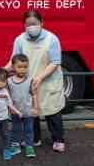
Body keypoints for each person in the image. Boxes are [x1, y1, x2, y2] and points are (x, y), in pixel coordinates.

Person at [5, 10, 66, 153]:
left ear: (41, 23)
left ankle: (58, 140)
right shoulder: (20, 40)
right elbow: (13, 60)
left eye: (35, 23)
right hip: (30, 82)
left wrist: (40, 77)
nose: (31, 27)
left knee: (53, 111)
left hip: (49, 81)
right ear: (24, 25)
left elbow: (55, 62)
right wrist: (2, 71)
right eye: (28, 24)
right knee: (32, 112)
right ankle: (35, 138)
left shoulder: (52, 39)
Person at [7, 54, 38, 158]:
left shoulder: (30, 80)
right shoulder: (9, 81)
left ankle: (29, 146)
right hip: (15, 111)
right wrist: (9, 109)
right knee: (16, 128)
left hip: (28, 111)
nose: (22, 70)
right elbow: (8, 97)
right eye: (19, 67)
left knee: (29, 129)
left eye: (25, 67)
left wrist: (35, 108)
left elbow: (34, 95)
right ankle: (15, 145)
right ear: (13, 67)